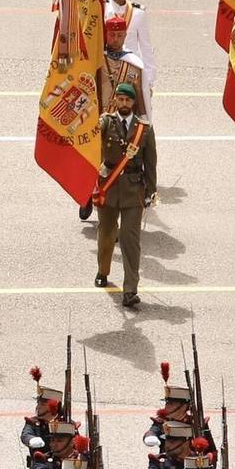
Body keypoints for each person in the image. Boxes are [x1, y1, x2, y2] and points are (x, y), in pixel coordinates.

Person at [88, 82, 157, 309]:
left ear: (134, 103)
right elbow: (92, 135)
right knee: (106, 234)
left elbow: (151, 163)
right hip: (109, 186)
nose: (124, 103)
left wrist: (150, 190)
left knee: (130, 240)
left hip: (132, 190)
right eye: (121, 99)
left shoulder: (143, 129)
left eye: (128, 100)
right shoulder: (107, 122)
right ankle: (103, 270)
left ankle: (130, 290)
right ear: (116, 100)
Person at [102, 0, 158, 113]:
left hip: (130, 68)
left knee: (133, 110)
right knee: (107, 108)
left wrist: (149, 81)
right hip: (108, 66)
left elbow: (146, 47)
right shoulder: (101, 9)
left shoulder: (138, 13)